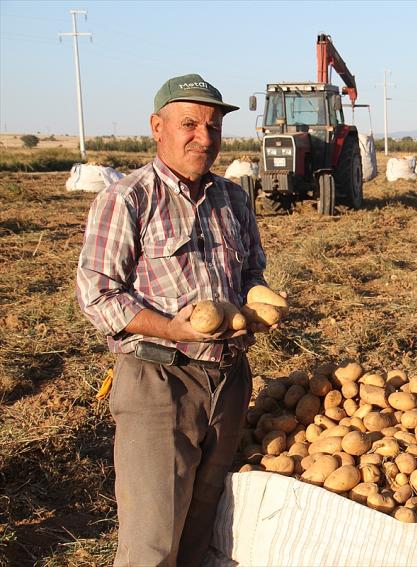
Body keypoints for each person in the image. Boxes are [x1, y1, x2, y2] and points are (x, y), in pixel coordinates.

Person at [77, 73, 273, 567]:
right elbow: (98, 295)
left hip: (228, 382)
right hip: (159, 381)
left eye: (214, 127)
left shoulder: (233, 198)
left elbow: (251, 271)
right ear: (157, 127)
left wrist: (260, 302)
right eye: (190, 124)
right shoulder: (128, 198)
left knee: (201, 534)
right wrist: (174, 328)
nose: (204, 138)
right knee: (153, 543)